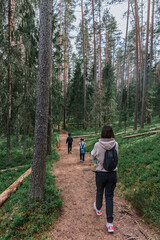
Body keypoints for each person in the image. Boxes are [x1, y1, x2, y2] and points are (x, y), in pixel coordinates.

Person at [91, 125, 118, 233]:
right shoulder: (115, 144)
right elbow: (116, 157)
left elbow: (93, 155)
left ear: (102, 133)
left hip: (100, 173)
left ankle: (98, 208)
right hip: (112, 174)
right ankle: (110, 224)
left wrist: (97, 161)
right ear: (111, 133)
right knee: (109, 197)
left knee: (99, 191)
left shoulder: (98, 144)